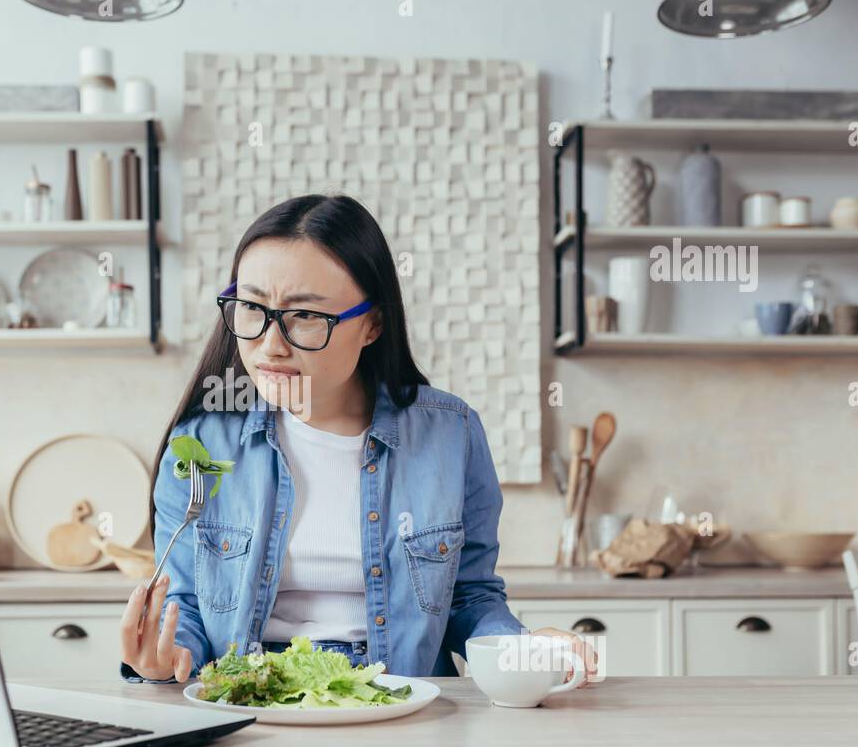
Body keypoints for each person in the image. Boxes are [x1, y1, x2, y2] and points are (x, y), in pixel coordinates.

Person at [119, 194, 596, 685]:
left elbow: (469, 598)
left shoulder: (450, 434)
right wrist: (169, 653)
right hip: (250, 701)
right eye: (251, 307)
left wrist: (524, 648)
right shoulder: (199, 445)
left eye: (305, 315)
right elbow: (188, 604)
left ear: (372, 324)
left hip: (395, 701)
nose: (269, 345)